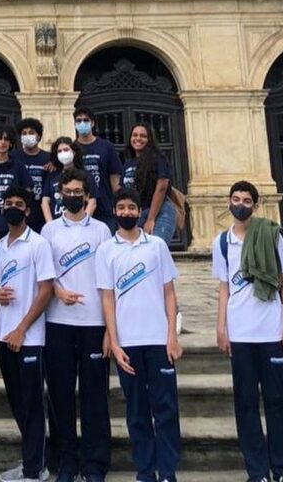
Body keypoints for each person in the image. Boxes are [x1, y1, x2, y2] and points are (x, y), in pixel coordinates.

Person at [212, 180, 283, 482]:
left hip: (271, 329)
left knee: (278, 402)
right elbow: (224, 287)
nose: (240, 204)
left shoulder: (270, 235)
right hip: (240, 332)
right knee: (246, 404)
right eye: (235, 199)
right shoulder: (222, 242)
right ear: (228, 201)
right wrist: (221, 326)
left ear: (255, 205)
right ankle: (257, 471)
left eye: (246, 200)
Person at [97, 187, 182, 482]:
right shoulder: (106, 250)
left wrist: (172, 335)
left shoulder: (156, 245)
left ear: (139, 211)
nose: (126, 213)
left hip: (158, 341)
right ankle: (145, 471)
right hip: (128, 343)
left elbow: (169, 293)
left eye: (131, 208)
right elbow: (107, 298)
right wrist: (115, 341)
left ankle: (168, 471)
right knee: (136, 412)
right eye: (121, 208)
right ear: (115, 212)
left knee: (166, 410)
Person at [41, 167, 112, 482]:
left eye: (77, 191)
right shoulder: (49, 231)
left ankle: (95, 463)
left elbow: (109, 283)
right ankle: (66, 461)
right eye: (66, 191)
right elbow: (45, 275)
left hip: (94, 323)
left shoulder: (101, 231)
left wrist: (111, 329)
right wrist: (57, 290)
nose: (72, 196)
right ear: (60, 194)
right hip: (58, 321)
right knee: (60, 394)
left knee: (95, 395)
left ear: (87, 195)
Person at [0, 186, 55, 482]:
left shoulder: (38, 244)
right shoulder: (1, 245)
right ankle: (31, 459)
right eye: (8, 203)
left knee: (31, 403)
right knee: (17, 402)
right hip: (4, 334)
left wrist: (22, 329)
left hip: (28, 337)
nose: (13, 208)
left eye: (19, 204)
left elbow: (46, 290)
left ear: (28, 211)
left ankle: (35, 469)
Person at [122, 122, 175, 245]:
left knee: (155, 248)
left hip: (159, 211)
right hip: (137, 213)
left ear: (150, 139)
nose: (138, 138)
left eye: (143, 136)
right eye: (134, 135)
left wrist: (151, 219)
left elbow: (162, 186)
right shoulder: (128, 163)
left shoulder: (157, 159)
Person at [72, 108, 122, 234]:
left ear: (92, 123)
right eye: (78, 121)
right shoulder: (71, 148)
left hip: (105, 209)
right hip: (79, 210)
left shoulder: (106, 147)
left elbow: (115, 182)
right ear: (74, 124)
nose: (82, 123)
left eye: (86, 120)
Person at [41, 138, 97, 224]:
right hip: (57, 224)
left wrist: (83, 223)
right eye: (59, 151)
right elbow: (45, 202)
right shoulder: (52, 175)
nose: (63, 153)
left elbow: (92, 202)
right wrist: (50, 224)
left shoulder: (86, 175)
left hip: (79, 223)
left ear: (74, 152)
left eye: (66, 149)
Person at [15, 119, 50, 232]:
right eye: (24, 133)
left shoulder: (48, 158)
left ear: (38, 136)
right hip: (20, 211)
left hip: (41, 212)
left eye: (31, 133)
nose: (27, 136)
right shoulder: (14, 157)